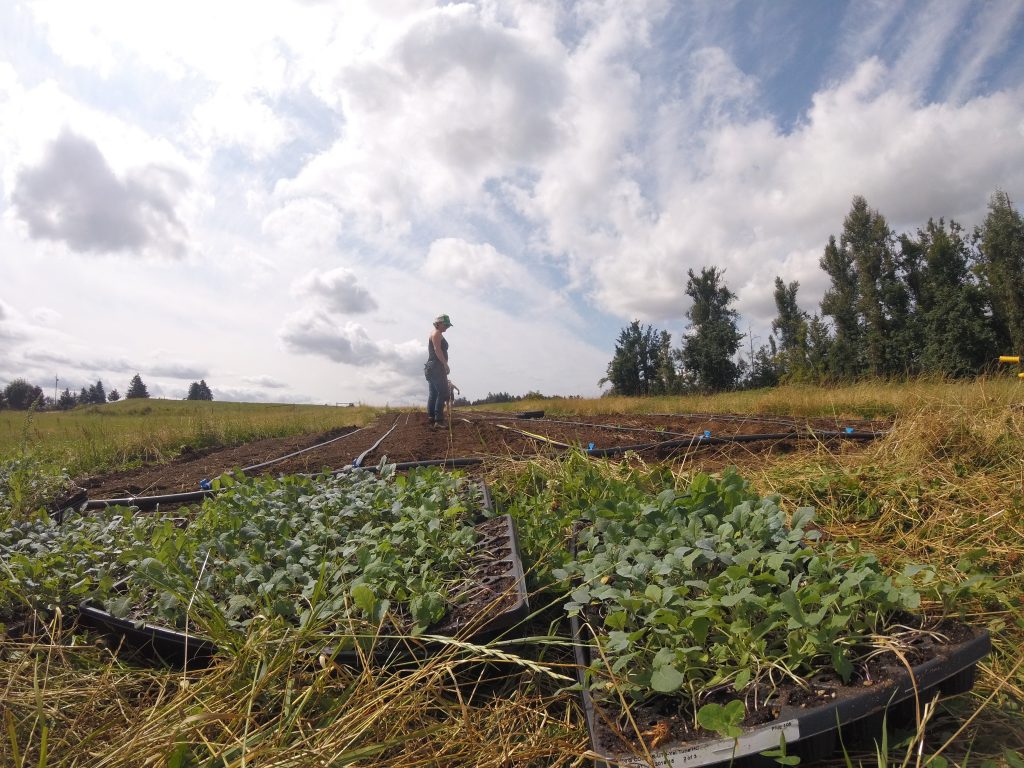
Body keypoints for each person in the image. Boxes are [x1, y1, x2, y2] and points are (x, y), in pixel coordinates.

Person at [424, 313, 453, 427]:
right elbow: (437, 350)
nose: (447, 327)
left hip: (431, 367)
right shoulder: (436, 333)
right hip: (436, 366)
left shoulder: (435, 333)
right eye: (445, 324)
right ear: (438, 323)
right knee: (443, 392)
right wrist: (445, 364)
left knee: (434, 393)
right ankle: (439, 420)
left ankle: (431, 417)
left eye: (448, 325)